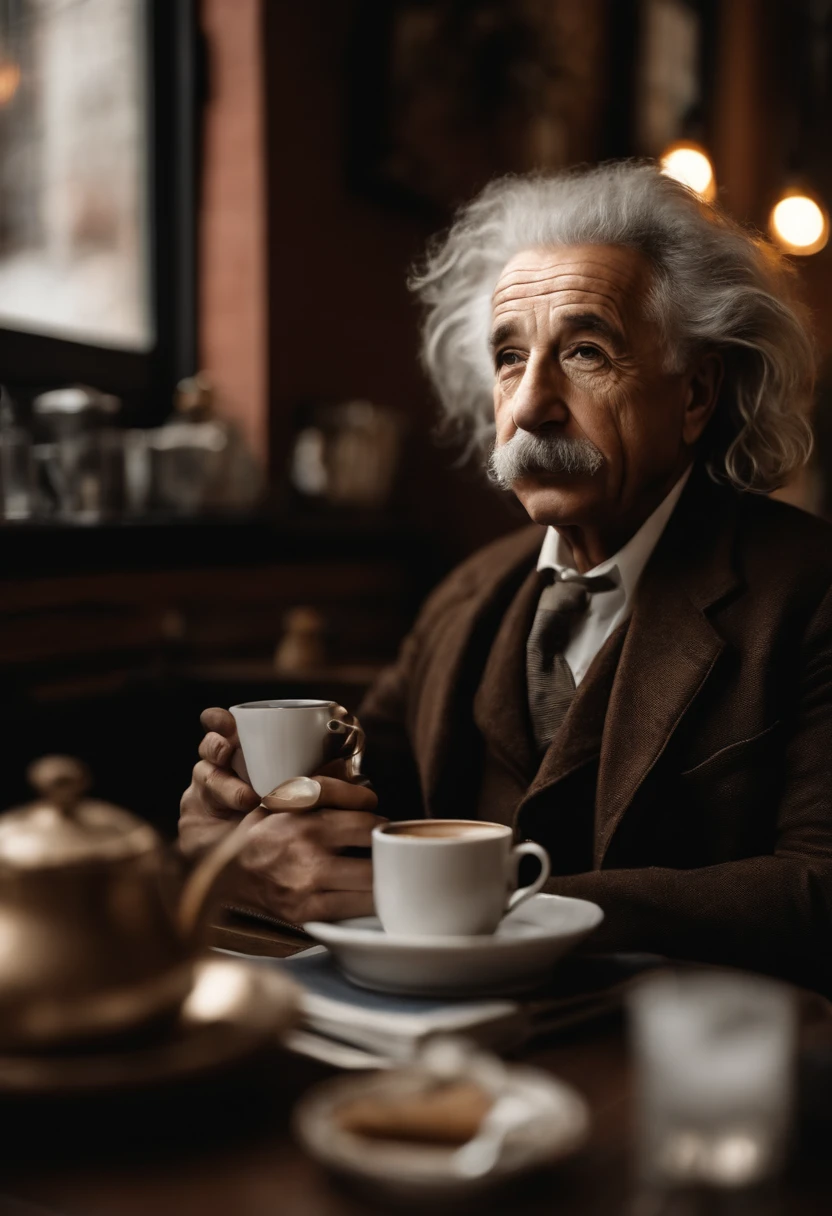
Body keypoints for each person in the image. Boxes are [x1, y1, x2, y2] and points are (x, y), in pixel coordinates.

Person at [179, 162, 832, 992]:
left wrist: (500, 907)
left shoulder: (811, 590)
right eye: (509, 358)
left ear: (696, 393)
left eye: (586, 352)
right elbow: (355, 798)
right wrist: (242, 836)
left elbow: (818, 891)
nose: (529, 405)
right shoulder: (466, 594)